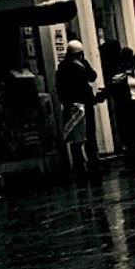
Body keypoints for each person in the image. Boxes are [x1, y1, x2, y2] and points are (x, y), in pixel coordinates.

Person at [55, 39, 101, 178]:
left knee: (76, 140)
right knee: (89, 137)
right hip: (85, 105)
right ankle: (93, 167)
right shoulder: (81, 66)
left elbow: (59, 88)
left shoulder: (62, 68)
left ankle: (79, 168)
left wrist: (67, 103)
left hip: (72, 107)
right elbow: (92, 77)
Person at [104, 45, 135, 169]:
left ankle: (133, 161)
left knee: (129, 136)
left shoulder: (120, 73)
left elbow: (114, 87)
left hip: (126, 108)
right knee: (134, 136)